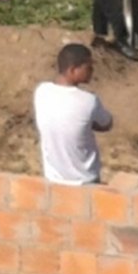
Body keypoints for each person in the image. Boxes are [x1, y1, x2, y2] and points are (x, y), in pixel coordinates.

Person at [34, 43, 113, 185]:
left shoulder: (41, 91)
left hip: (54, 180)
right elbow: (107, 124)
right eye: (88, 67)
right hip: (85, 180)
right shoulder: (89, 101)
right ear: (73, 70)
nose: (92, 71)